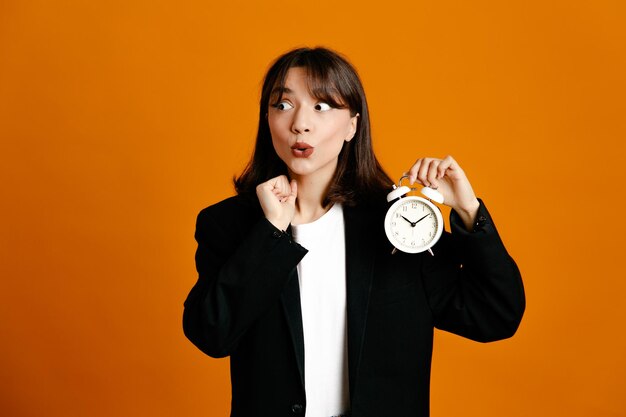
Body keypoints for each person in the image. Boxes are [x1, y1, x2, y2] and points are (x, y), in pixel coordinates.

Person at [183, 47, 525, 417]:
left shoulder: (397, 224)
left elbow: (496, 315)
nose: (300, 123)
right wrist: (270, 232)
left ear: (352, 125)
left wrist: (468, 210)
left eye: (322, 106)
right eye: (283, 105)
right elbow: (211, 334)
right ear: (267, 118)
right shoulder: (229, 224)